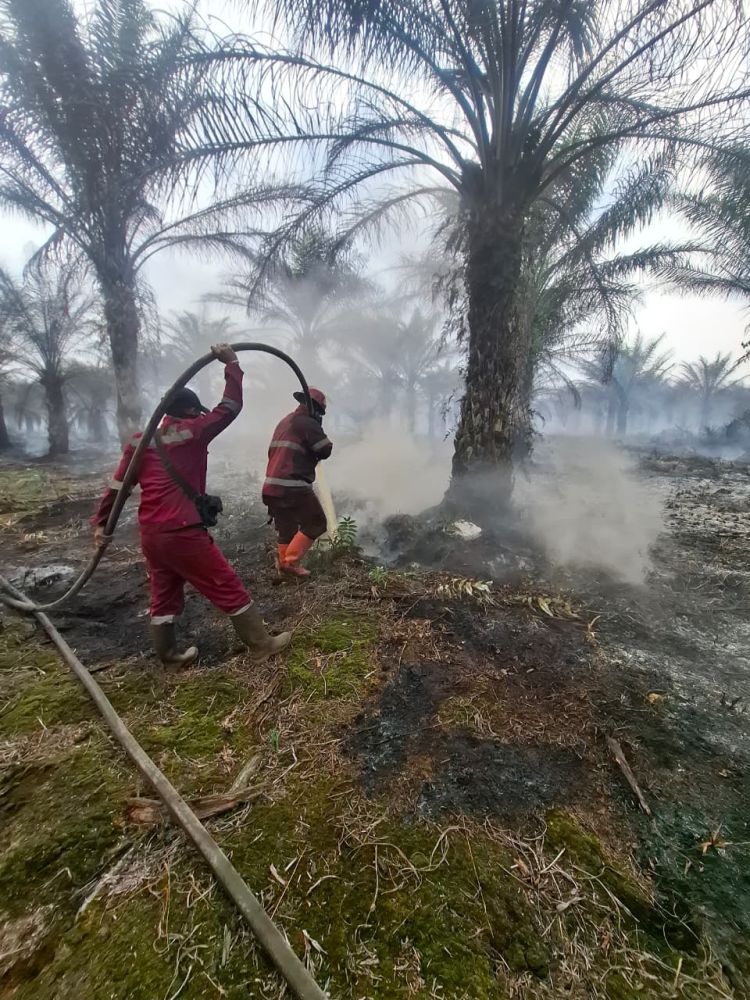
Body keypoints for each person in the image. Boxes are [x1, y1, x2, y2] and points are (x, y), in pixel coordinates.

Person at [91, 344, 290, 666]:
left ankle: (169, 656)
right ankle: (261, 644)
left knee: (164, 592)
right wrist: (232, 364)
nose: (199, 416)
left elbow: (119, 486)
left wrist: (102, 523)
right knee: (225, 583)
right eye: (196, 412)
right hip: (182, 530)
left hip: (152, 534)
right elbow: (230, 407)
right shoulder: (193, 431)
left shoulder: (139, 442)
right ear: (189, 411)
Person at [263, 387, 333, 578]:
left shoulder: (285, 421)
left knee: (287, 528)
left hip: (272, 486)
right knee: (317, 523)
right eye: (320, 412)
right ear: (316, 408)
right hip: (292, 485)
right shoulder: (307, 422)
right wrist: (317, 426)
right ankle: (291, 562)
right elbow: (325, 449)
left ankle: (284, 567)